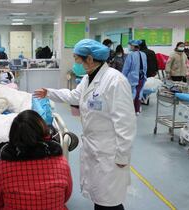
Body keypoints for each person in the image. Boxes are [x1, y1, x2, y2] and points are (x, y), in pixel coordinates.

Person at [34, 39, 136, 210]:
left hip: (110, 151)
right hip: (95, 146)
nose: (76, 63)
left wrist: (122, 156)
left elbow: (125, 123)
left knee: (109, 201)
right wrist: (49, 93)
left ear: (89, 59)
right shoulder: (89, 78)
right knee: (100, 197)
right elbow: (74, 96)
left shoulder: (115, 81)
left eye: (77, 59)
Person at [0, 110, 72, 210]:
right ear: (44, 133)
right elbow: (66, 196)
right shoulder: (61, 163)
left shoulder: (4, 167)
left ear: (13, 135)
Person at [122, 40, 147, 114]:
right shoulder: (143, 54)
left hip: (133, 78)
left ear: (133, 46)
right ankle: (137, 110)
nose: (129, 47)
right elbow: (145, 67)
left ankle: (131, 111)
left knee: (132, 94)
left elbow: (126, 68)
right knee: (139, 94)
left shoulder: (131, 55)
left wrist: (122, 77)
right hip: (142, 78)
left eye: (130, 45)